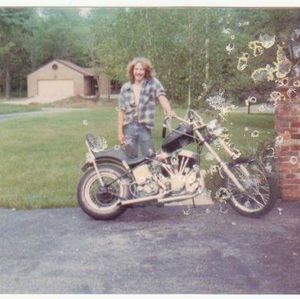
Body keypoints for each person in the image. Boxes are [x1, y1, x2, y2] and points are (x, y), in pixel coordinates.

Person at [117, 57, 175, 159]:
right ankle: (133, 175)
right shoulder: (125, 88)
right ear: (132, 71)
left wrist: (169, 110)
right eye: (136, 69)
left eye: (141, 69)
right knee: (131, 159)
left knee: (150, 158)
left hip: (144, 127)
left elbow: (161, 97)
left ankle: (149, 174)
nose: (138, 72)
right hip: (129, 128)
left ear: (146, 71)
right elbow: (121, 111)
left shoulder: (153, 83)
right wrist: (120, 132)